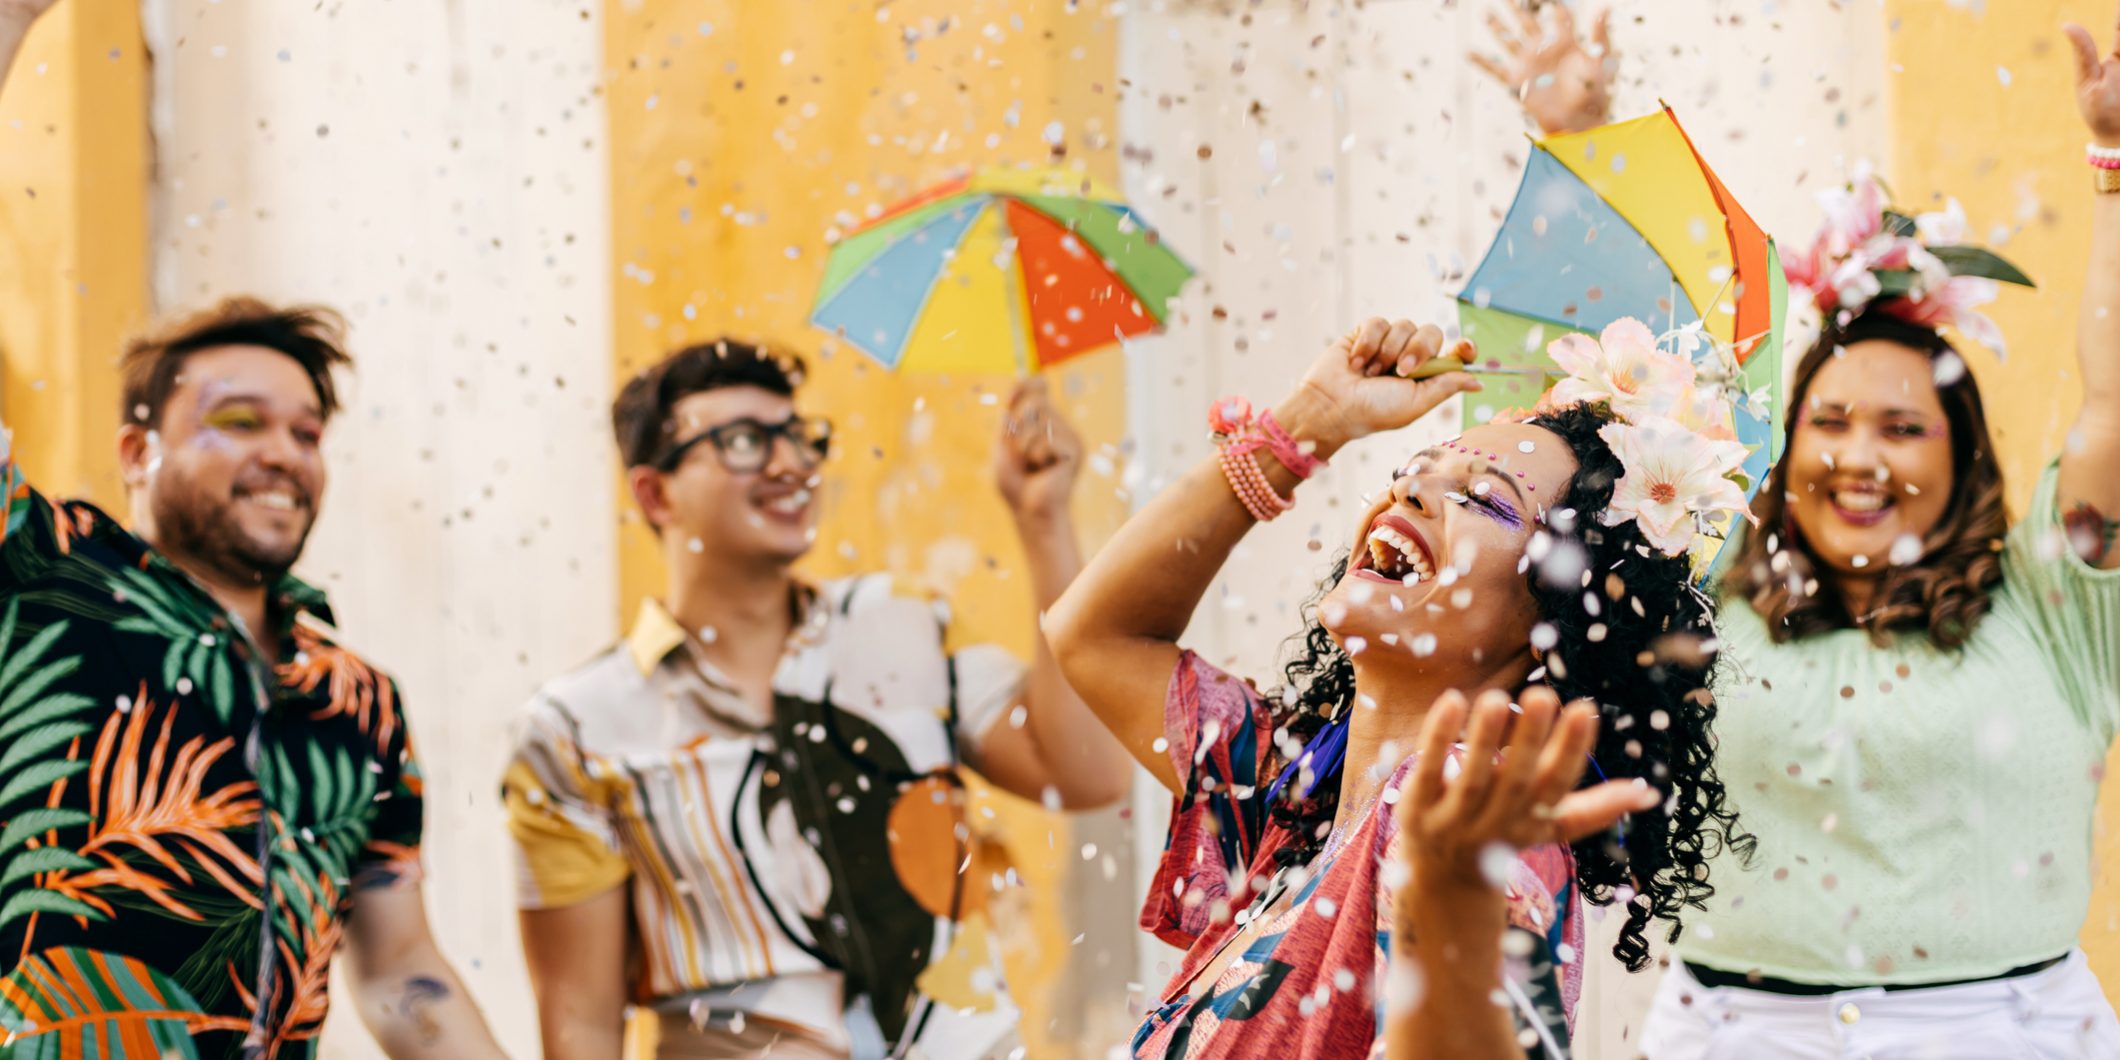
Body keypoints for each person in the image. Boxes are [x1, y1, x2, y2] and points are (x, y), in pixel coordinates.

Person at [1480, 4, 2120, 1055]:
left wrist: (2112, 164)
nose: (1854, 456)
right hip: (1730, 1032)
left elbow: (2107, 415)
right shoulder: (1710, 579)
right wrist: (1582, 148)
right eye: (1826, 420)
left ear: (1959, 458)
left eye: (1900, 427)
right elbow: (1614, 391)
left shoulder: (2059, 606)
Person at [1044, 315, 1751, 1057]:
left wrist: (1443, 922)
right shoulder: (1291, 804)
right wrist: (1312, 420)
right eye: (1415, 469)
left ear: (1560, 620)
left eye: (1484, 499)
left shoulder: (1468, 816)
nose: (1410, 495)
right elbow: (1095, 638)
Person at [502, 339, 1133, 1059]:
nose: (791, 465)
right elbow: (581, 1021)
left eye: (800, 438)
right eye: (743, 441)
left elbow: (1086, 772)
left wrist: (1042, 521)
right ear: (654, 492)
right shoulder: (576, 726)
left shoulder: (904, 624)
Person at [0, 282, 508, 1060]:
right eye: (239, 421)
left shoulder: (359, 700)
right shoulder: (41, 571)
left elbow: (398, 965)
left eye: (307, 433)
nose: (283, 452)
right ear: (138, 452)